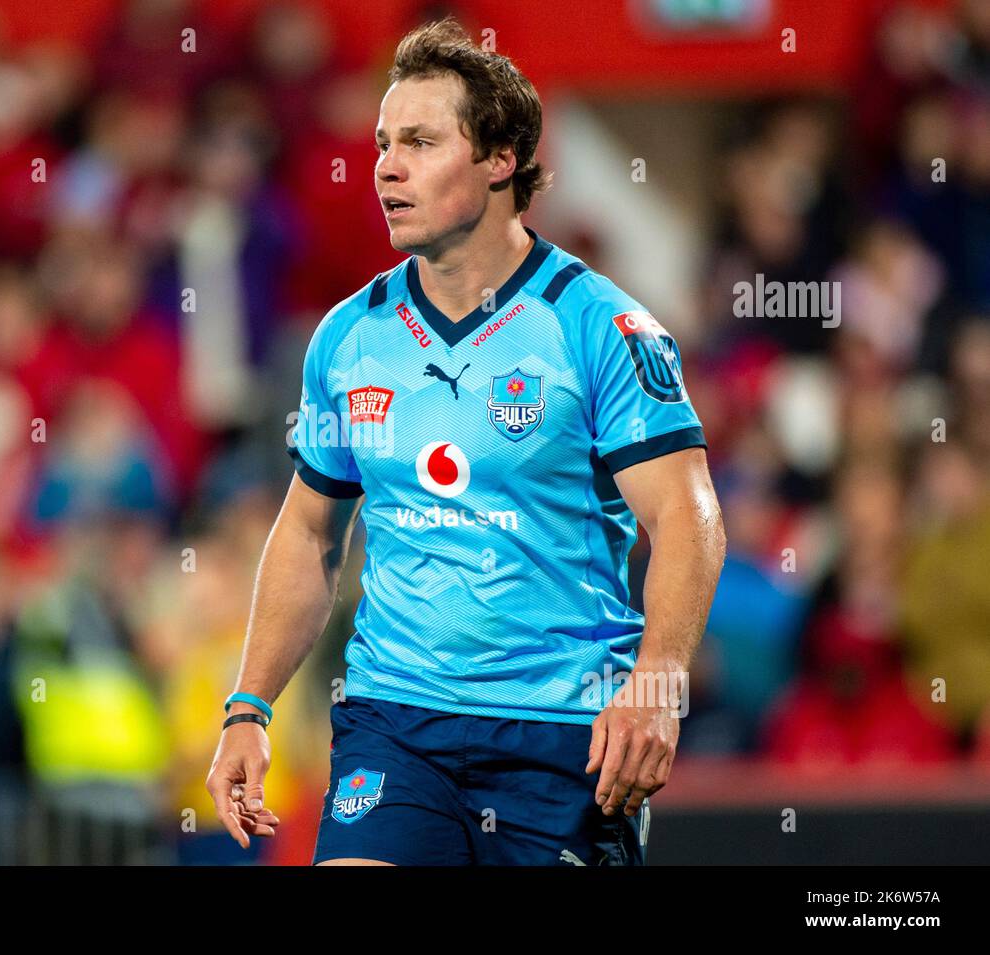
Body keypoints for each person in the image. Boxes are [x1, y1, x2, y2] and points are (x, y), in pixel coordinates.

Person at [205, 17, 726, 866]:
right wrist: (248, 708)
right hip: (396, 722)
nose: (385, 165)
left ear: (499, 159)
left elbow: (688, 516)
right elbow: (308, 534)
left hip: (560, 733)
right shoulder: (348, 339)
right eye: (382, 142)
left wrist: (658, 686)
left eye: (419, 140)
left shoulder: (599, 327)